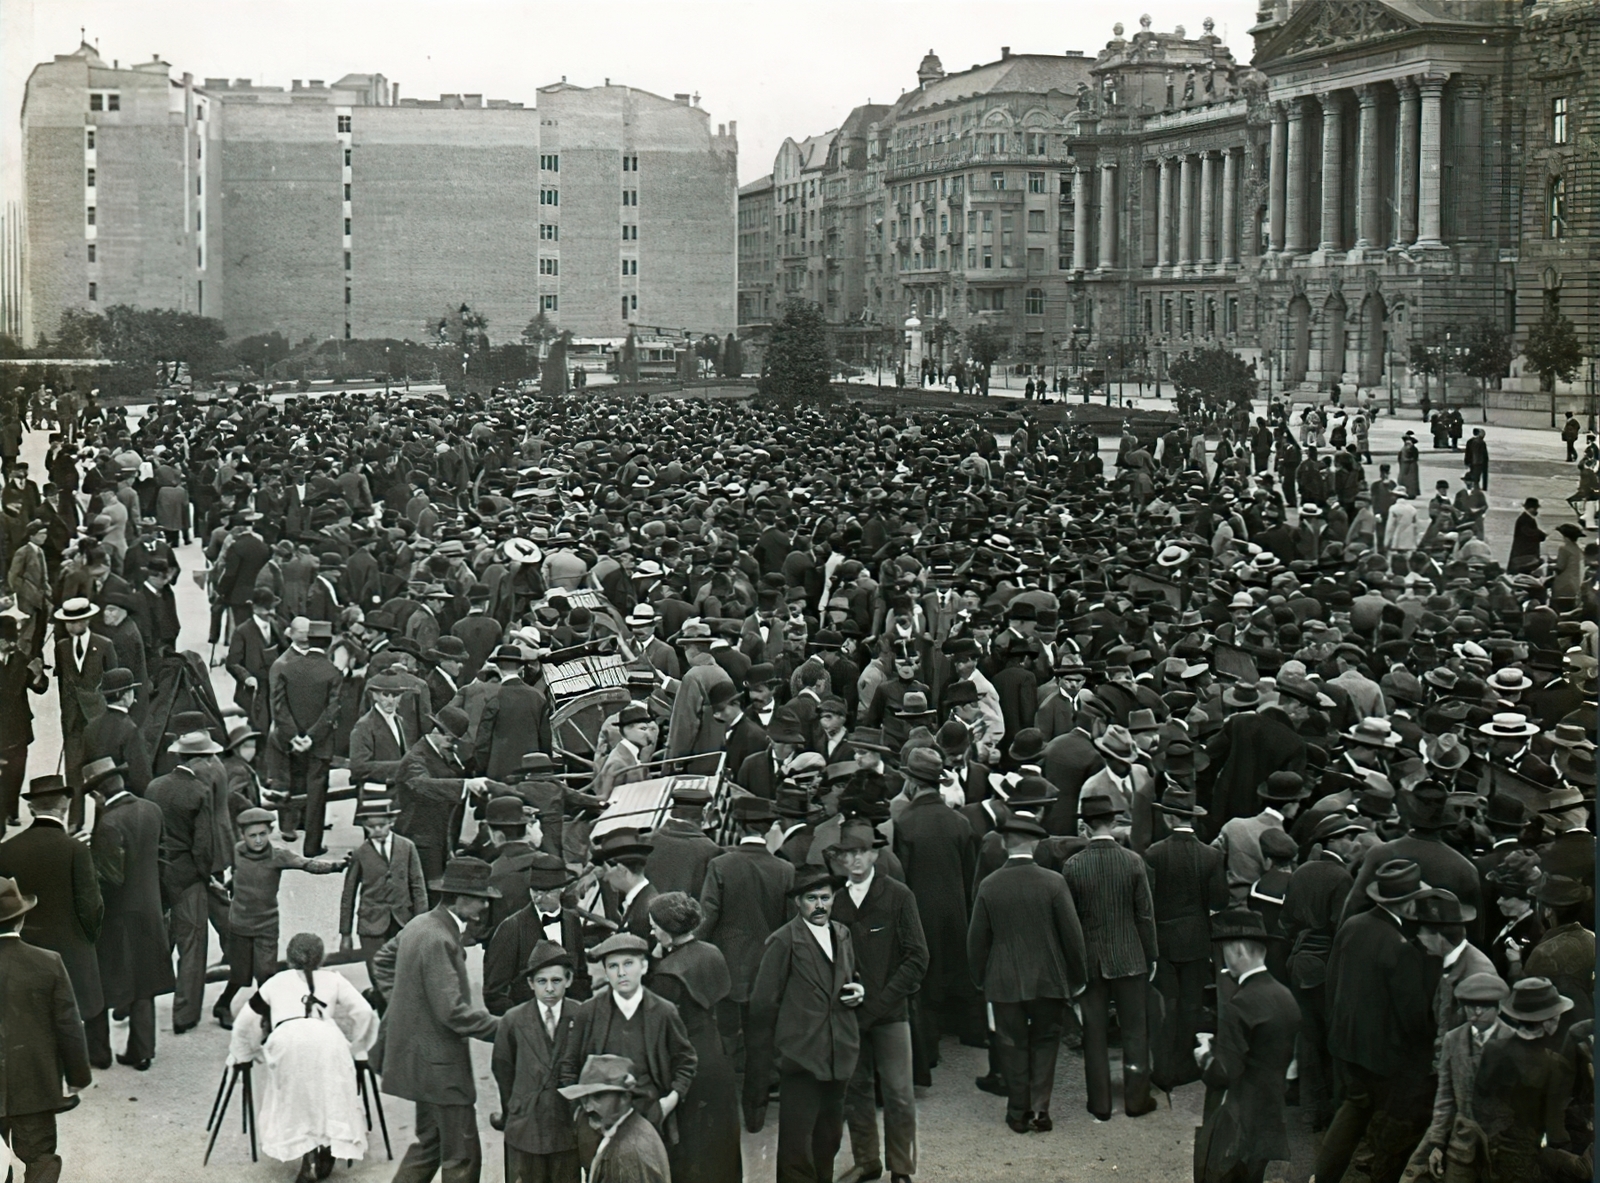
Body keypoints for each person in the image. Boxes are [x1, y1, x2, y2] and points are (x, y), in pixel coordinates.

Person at [375, 856, 503, 1183]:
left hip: (419, 1064)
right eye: (479, 899)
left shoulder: (421, 924)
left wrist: (407, 1004)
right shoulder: (440, 939)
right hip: (441, 1068)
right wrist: (508, 1027)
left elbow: (383, 960)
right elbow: (453, 1012)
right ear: (459, 898)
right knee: (461, 1156)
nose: (484, 907)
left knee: (428, 1144)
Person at [967, 810, 1087, 1134]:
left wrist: (980, 978)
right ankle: (1040, 1110)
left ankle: (1017, 1111)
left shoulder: (989, 886)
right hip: (1049, 977)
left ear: (1004, 843)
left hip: (1003, 979)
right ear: (1035, 843)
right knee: (1046, 1041)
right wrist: (1077, 979)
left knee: (1011, 1043)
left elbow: (976, 940)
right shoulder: (1054, 882)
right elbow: (1072, 937)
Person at [225, 932, 379, 1181]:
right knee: (330, 1093)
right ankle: (329, 1146)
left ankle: (308, 1160)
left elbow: (245, 1021)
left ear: (289, 957)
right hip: (328, 1039)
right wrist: (357, 1046)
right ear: (321, 958)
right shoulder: (333, 979)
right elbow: (364, 1011)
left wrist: (245, 1051)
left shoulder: (276, 981)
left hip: (287, 1039)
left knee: (295, 1098)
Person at [745, 864, 864, 1183]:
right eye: (811, 898)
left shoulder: (842, 934)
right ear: (797, 902)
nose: (820, 905)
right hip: (801, 1057)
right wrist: (775, 1055)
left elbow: (850, 976)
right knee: (798, 1147)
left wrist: (858, 989)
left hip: (839, 1052)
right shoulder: (784, 941)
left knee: (830, 1139)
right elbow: (762, 1004)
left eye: (825, 897)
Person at [829, 819, 927, 1178]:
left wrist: (880, 999)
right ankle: (867, 1161)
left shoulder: (898, 895)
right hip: (849, 1014)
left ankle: (901, 1168)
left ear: (874, 853)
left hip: (890, 1013)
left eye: (862, 851)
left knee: (900, 1095)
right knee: (856, 1091)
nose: (854, 860)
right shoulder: (835, 902)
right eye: (846, 853)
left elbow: (917, 958)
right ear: (838, 859)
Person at [1061, 794, 1159, 1121]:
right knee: (1134, 1031)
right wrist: (1151, 954)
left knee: (1095, 1033)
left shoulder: (1073, 866)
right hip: (1130, 955)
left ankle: (1099, 1104)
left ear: (1084, 827)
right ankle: (1136, 1099)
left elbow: (1070, 921)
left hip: (1090, 958)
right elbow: (1144, 915)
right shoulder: (1133, 861)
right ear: (1114, 822)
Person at [558, 930, 697, 1158]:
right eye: (613, 966)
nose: (621, 972)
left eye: (628, 964)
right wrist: (583, 1112)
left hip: (649, 1115)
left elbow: (686, 1062)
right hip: (599, 1121)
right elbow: (569, 1064)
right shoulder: (589, 1012)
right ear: (605, 971)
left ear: (643, 967)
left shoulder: (664, 1012)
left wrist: (668, 1103)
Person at [1192, 909, 1301, 1183]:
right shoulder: (1285, 996)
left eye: (1225, 950)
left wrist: (1205, 1055)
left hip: (1238, 1117)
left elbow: (1224, 1072)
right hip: (1271, 1112)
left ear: (1239, 950)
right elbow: (1265, 1046)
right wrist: (1220, 1042)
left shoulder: (1240, 1003)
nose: (1223, 957)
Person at [80, 756, 173, 1072]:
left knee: (101, 984)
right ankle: (142, 1051)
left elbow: (110, 878)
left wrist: (86, 859)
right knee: (143, 983)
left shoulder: (108, 823)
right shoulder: (151, 810)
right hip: (150, 912)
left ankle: (99, 1053)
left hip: (117, 920)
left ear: (98, 793)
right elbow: (160, 859)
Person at [0, 875, 93, 1183]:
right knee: (40, 1156)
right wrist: (78, 1076)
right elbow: (68, 1025)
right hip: (35, 1084)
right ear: (20, 921)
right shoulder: (48, 963)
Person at [214, 808, 344, 1025]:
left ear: (270, 832)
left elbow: (307, 864)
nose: (258, 840)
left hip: (267, 924)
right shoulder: (237, 851)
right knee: (239, 973)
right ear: (242, 836)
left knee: (265, 973)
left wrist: (336, 866)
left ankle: (267, 1016)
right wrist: (226, 886)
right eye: (252, 835)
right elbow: (238, 876)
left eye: (263, 834)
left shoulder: (279, 855)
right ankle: (222, 1005)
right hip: (239, 924)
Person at [645, 892, 742, 1183]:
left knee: (690, 1148)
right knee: (719, 1143)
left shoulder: (667, 975)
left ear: (668, 929)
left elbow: (657, 1025)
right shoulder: (712, 952)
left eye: (654, 926)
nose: (651, 931)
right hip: (716, 1055)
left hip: (684, 1062)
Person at [0, 776, 104, 1045]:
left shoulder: (7, 850)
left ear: (32, 808)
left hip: (25, 943)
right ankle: (95, 1054)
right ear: (65, 805)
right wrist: (88, 939)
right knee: (77, 1009)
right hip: (71, 946)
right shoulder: (77, 849)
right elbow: (90, 905)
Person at [1402, 971, 1508, 1183]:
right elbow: (1445, 1098)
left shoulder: (1513, 1042)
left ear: (1498, 1008)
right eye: (1471, 1006)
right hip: (1463, 1144)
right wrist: (1437, 1144)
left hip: (1503, 1147)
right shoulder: (1453, 1039)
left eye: (1485, 1006)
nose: (1477, 1012)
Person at [491, 940, 583, 1183]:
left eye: (557, 981)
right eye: (542, 981)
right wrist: (514, 1109)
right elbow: (503, 1068)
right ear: (531, 984)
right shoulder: (513, 1020)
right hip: (525, 1125)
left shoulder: (581, 1016)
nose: (549, 989)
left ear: (569, 980)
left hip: (566, 1124)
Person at [338, 795, 429, 979]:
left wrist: (421, 925)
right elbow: (348, 895)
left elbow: (418, 887)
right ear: (364, 826)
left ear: (392, 821)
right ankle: (382, 1006)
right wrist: (345, 934)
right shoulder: (359, 854)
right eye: (371, 827)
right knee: (378, 973)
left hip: (403, 922)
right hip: (371, 925)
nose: (377, 830)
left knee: (406, 973)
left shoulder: (407, 847)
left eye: (382, 825)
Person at [556, 1055, 671, 1183]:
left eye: (597, 1096)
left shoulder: (627, 1154)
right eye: (584, 1098)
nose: (587, 1107)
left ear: (625, 1098)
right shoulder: (630, 1128)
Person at [1508, 496, 1546, 574]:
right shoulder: (1525, 519)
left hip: (1523, 553)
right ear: (1531, 508)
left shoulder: (1525, 518)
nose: (1536, 511)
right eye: (1536, 509)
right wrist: (1542, 535)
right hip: (1524, 554)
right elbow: (1530, 534)